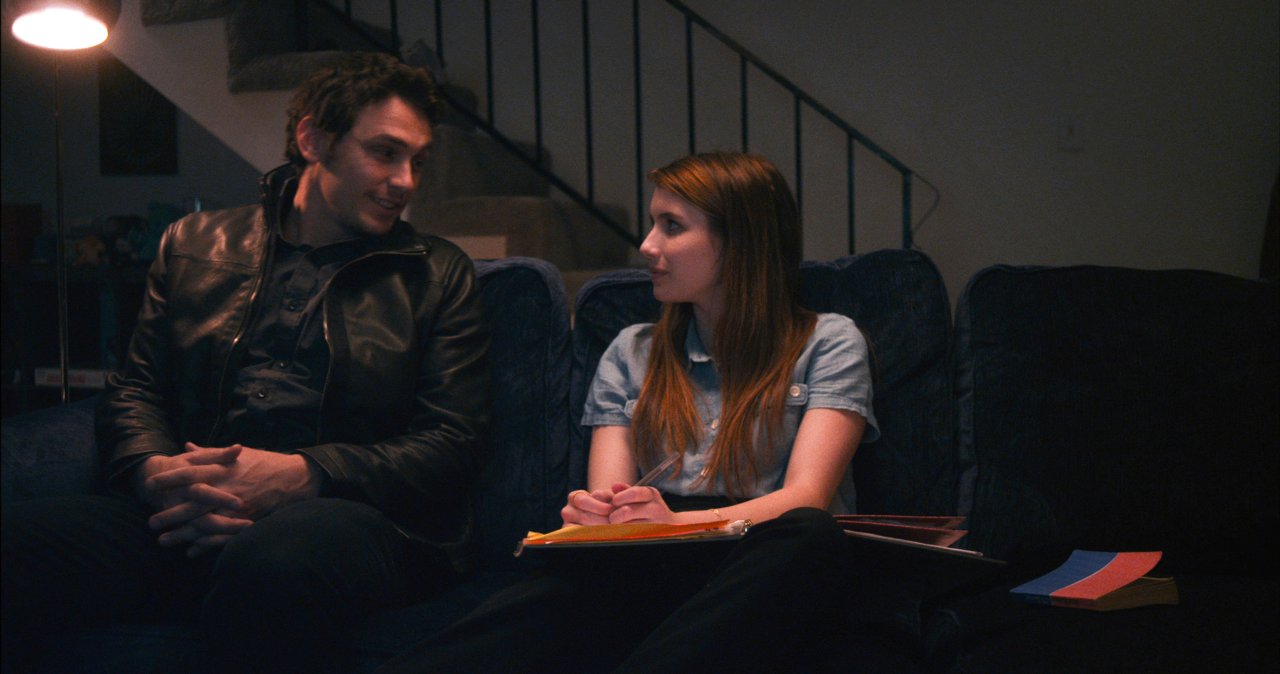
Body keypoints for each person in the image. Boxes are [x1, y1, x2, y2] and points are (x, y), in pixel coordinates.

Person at [1, 52, 490, 673]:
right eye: (385, 153)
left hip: (350, 520)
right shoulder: (194, 243)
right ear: (313, 139)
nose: (406, 181)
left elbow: (452, 442)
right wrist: (156, 474)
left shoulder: (437, 274)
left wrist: (303, 476)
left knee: (279, 560)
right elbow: (135, 390)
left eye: (417, 161)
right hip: (183, 510)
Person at [380, 151, 879, 673]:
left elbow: (808, 495)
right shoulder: (631, 351)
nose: (647, 245)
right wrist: (598, 517)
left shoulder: (828, 342)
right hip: (653, 564)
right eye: (652, 223)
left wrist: (677, 525)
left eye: (672, 226)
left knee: (810, 534)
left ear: (741, 242)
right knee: (551, 591)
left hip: (762, 563)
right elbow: (611, 494)